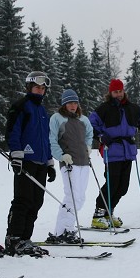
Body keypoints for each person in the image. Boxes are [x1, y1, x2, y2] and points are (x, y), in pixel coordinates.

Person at [3, 71, 56, 256]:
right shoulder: (21, 106)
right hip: (25, 161)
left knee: (36, 202)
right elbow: (12, 131)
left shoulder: (42, 111)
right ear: (29, 87)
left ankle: (25, 238)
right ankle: (14, 238)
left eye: (43, 88)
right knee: (22, 201)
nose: (40, 91)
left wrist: (49, 162)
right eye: (37, 87)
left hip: (40, 162)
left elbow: (46, 138)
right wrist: (16, 156)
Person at [89, 78, 140, 228]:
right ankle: (98, 213)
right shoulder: (104, 108)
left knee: (123, 187)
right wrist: (100, 136)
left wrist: (135, 129)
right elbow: (91, 123)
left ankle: (109, 213)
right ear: (111, 93)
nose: (119, 94)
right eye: (115, 92)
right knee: (112, 183)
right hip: (112, 149)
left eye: (120, 91)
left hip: (128, 150)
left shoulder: (132, 108)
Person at [47, 88, 94, 243]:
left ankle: (67, 229)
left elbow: (89, 134)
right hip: (69, 163)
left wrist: (88, 147)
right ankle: (62, 231)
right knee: (72, 197)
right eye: (69, 103)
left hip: (84, 162)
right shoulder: (57, 118)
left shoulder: (83, 119)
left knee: (80, 198)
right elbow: (52, 139)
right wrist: (61, 156)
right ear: (64, 104)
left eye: (75, 102)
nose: (73, 105)